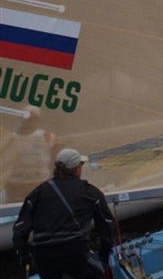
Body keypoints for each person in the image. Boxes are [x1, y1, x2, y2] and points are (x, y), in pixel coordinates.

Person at [13, 148, 114, 279]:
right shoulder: (90, 192)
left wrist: (24, 256)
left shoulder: (38, 192)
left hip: (43, 257)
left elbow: (20, 229)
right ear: (76, 169)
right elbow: (107, 225)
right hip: (76, 254)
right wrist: (104, 255)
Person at [5, 106, 60, 203]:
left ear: (37, 120)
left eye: (33, 118)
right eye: (26, 117)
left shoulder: (47, 136)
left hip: (40, 189)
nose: (29, 121)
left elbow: (57, 160)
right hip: (15, 191)